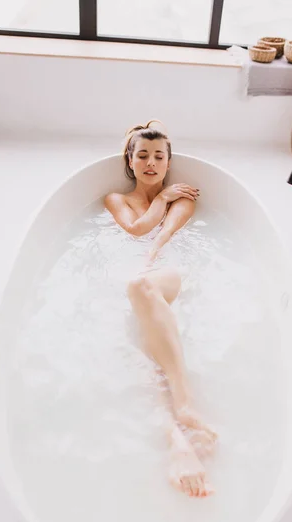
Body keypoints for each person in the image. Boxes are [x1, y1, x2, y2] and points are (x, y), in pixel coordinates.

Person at [104, 120, 217, 498]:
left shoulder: (183, 196)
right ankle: (177, 440)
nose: (151, 162)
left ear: (169, 162)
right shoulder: (115, 200)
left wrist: (152, 252)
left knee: (140, 285)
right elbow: (135, 228)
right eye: (143, 155)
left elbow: (160, 234)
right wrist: (161, 200)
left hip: (168, 272)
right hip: (134, 276)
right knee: (136, 350)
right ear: (130, 161)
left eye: (159, 156)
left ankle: (184, 404)